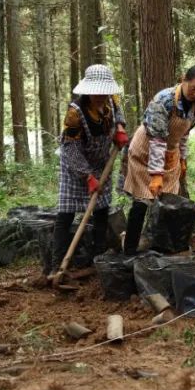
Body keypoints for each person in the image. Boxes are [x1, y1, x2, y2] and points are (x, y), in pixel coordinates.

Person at [121, 65, 195, 254]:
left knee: (167, 204)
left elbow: (184, 134)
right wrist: (155, 174)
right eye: (193, 88)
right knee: (141, 201)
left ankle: (160, 246)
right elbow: (158, 140)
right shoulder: (164, 100)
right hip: (146, 151)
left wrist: (183, 159)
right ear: (184, 79)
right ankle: (129, 250)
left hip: (171, 154)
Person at [54, 65, 129, 270]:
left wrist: (120, 127)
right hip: (75, 166)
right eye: (95, 92)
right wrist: (87, 176)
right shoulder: (75, 112)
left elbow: (118, 113)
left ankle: (98, 257)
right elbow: (70, 148)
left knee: (102, 209)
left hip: (101, 162)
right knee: (66, 213)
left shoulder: (111, 100)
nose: (99, 96)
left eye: (103, 92)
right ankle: (55, 266)